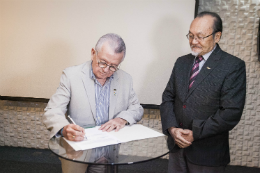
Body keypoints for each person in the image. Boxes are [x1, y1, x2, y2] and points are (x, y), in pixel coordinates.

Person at [43, 33, 144, 173]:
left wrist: (121, 119)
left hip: (109, 153)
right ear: (93, 53)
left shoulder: (125, 79)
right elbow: (52, 111)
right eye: (103, 62)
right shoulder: (71, 76)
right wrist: (65, 129)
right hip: (77, 153)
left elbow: (136, 108)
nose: (106, 70)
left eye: (113, 66)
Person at [160, 11, 246, 173]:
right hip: (177, 148)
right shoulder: (181, 62)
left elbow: (231, 112)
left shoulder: (233, 66)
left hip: (208, 154)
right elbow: (168, 98)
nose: (194, 41)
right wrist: (172, 129)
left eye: (200, 36)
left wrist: (195, 133)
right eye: (191, 35)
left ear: (217, 36)